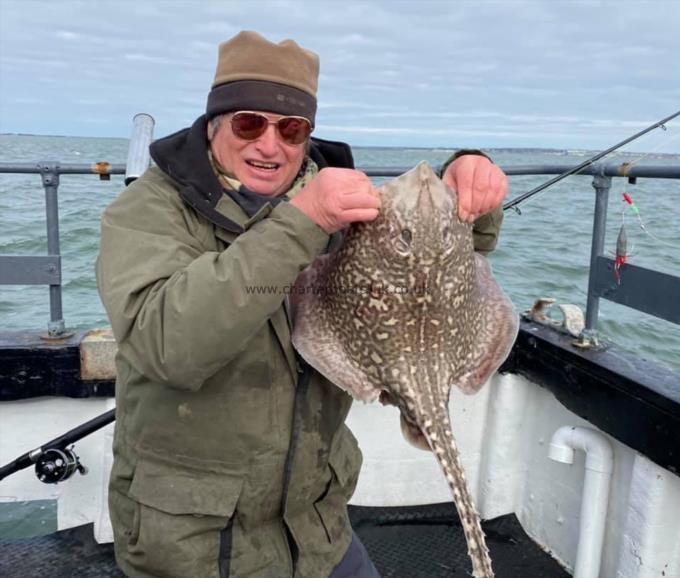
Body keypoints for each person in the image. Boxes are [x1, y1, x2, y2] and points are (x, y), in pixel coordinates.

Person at [96, 31, 507, 578]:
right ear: (213, 122)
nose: (271, 145)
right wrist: (303, 223)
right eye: (249, 123)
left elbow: (436, 269)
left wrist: (471, 190)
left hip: (317, 531)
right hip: (193, 546)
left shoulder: (338, 202)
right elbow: (166, 344)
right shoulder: (147, 210)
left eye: (291, 129)